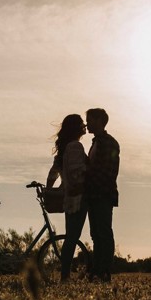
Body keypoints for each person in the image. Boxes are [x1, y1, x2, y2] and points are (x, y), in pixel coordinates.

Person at [46, 114, 88, 281]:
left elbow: (53, 173)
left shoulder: (64, 148)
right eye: (81, 124)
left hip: (68, 198)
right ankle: (65, 276)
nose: (84, 126)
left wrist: (50, 190)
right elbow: (78, 173)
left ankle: (65, 275)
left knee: (70, 236)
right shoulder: (76, 146)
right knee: (72, 237)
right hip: (78, 197)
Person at [84, 107, 119, 282]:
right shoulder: (96, 142)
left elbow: (108, 171)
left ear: (99, 121)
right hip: (94, 194)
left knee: (103, 232)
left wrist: (88, 178)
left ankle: (104, 270)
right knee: (96, 234)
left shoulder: (109, 143)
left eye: (89, 120)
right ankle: (97, 270)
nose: (86, 123)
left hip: (102, 194)